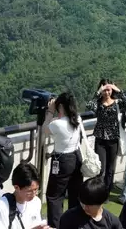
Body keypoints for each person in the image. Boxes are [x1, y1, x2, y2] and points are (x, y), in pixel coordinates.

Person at [43, 92, 84, 228]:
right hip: (76, 158)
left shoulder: (58, 124)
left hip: (62, 161)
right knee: (74, 195)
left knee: (54, 196)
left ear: (60, 106)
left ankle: (55, 226)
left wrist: (50, 111)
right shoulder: (77, 118)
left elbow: (45, 129)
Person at [86, 79, 126, 193]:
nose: (106, 92)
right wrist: (98, 91)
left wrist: (118, 91)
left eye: (109, 90)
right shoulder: (98, 103)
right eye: (104, 90)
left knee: (110, 168)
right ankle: (98, 190)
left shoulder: (117, 103)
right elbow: (89, 105)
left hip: (113, 139)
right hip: (100, 139)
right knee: (100, 168)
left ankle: (107, 190)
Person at [0, 162, 48, 229]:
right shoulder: (1, 206)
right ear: (16, 187)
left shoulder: (36, 202)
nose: (34, 194)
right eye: (29, 191)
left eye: (36, 189)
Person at [59, 176, 123, 229]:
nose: (85, 208)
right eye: (82, 203)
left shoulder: (112, 222)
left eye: (89, 205)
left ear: (101, 202)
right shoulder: (69, 217)